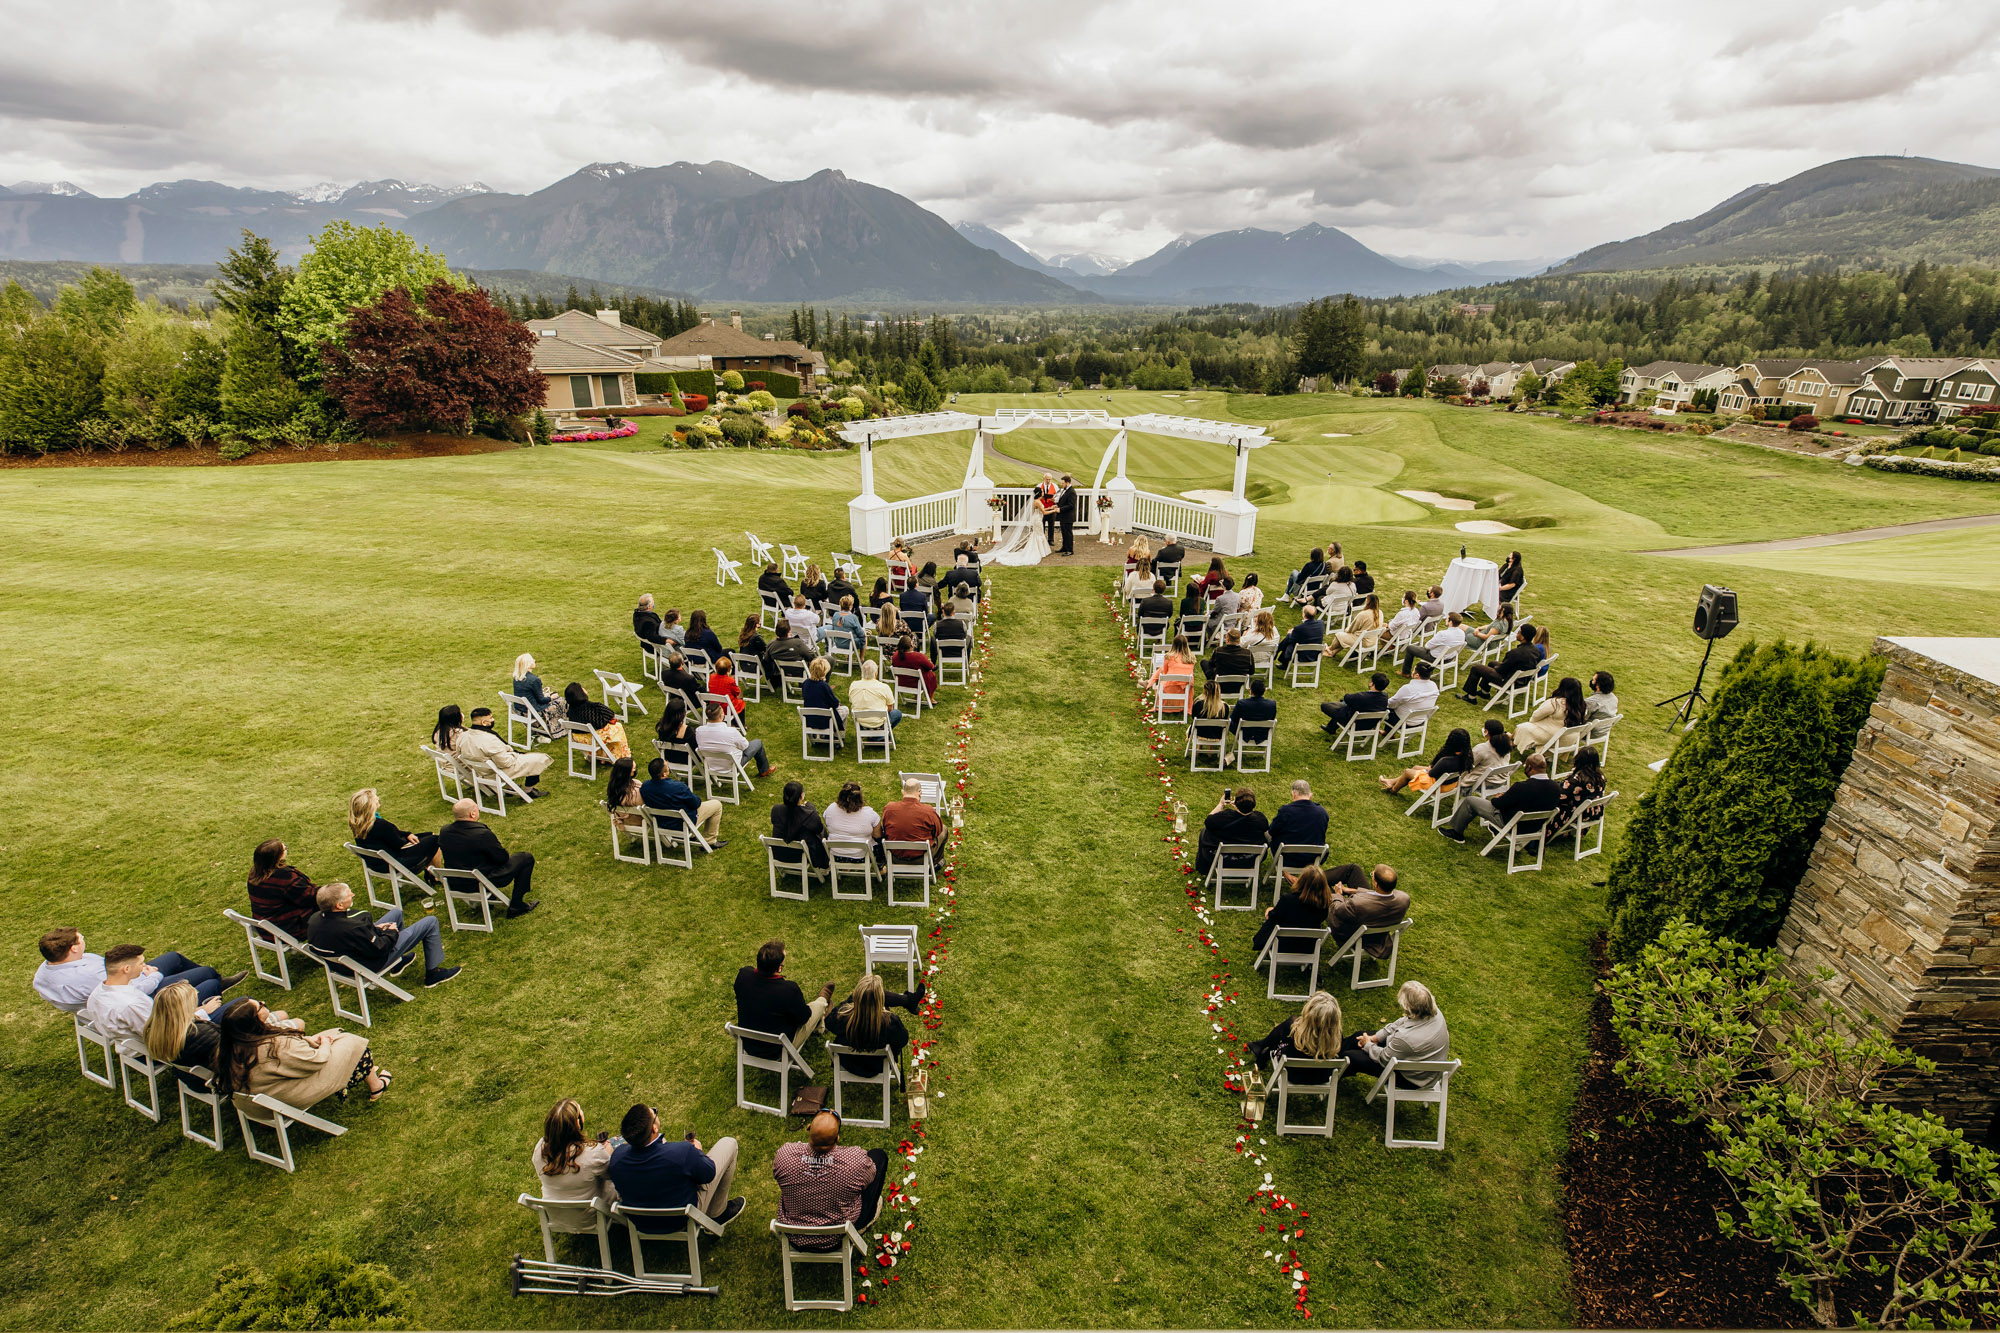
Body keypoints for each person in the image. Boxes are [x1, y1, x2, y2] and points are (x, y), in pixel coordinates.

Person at [212, 1001, 386, 1106]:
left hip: (261, 1102)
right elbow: (316, 1061)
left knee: (332, 1038)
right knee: (351, 1044)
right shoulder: (274, 1046)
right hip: (289, 1097)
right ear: (255, 1019)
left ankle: (366, 1079)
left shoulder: (229, 1047)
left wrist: (308, 1040)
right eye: (261, 1006)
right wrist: (325, 1044)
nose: (264, 1004)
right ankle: (376, 1087)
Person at [607, 1103, 745, 1224]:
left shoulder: (616, 1159)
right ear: (654, 1128)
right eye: (654, 1113)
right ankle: (718, 1214)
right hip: (683, 1218)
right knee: (729, 1143)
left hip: (642, 1221)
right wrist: (699, 1155)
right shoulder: (682, 1153)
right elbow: (708, 1174)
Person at [308, 881, 459, 988]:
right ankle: (434, 973)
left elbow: (356, 938)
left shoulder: (315, 920)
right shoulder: (353, 928)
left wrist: (375, 929)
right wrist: (390, 932)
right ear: (339, 905)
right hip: (370, 963)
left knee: (396, 913)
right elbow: (380, 947)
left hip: (343, 962)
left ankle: (398, 963)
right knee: (430, 921)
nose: (353, 895)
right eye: (349, 895)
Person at [774, 1111, 889, 1249]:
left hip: (794, 1236)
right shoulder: (855, 1161)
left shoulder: (785, 1155)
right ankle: (868, 1217)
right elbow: (870, 1176)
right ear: (837, 1138)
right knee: (879, 1156)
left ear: (808, 1128)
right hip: (838, 1238)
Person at [145, 983, 294, 1079]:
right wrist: (259, 1024)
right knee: (296, 1023)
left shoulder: (157, 1030)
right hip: (230, 1073)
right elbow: (240, 1051)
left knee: (281, 1014)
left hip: (195, 1077)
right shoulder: (200, 1032)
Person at [439, 797, 539, 916]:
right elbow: (502, 858)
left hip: (454, 882)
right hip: (480, 881)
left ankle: (492, 899)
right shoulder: (481, 834)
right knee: (525, 858)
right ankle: (517, 905)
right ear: (473, 814)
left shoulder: (444, 831)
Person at [735, 939, 835, 1057]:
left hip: (748, 1044)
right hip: (778, 1050)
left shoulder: (743, 975)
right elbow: (804, 1018)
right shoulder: (788, 990)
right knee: (817, 1006)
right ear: (779, 968)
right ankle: (823, 1005)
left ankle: (821, 1024)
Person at [1341, 981, 1450, 1085]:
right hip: (1416, 1058)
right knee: (1358, 1036)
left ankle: (1330, 1072)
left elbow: (1384, 1058)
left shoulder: (1406, 1038)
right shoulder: (1433, 1012)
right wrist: (1376, 1037)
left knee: (1351, 1057)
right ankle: (1334, 1052)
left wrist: (1368, 1045)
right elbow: (1404, 1021)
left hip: (1412, 1077)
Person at [825, 972, 926, 1077]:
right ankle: (909, 1000)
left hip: (849, 1062)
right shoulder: (890, 1023)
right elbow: (902, 1040)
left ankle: (909, 1000)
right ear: (881, 1000)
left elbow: (828, 1022)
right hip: (878, 1065)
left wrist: (854, 998)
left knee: (868, 995)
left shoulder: (842, 1017)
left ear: (856, 997)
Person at [1442, 752, 1560, 841]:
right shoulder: (1556, 788)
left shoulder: (1522, 787)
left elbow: (1498, 804)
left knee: (1470, 801)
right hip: (1533, 828)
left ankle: (1456, 833)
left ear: (1529, 768)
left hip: (1510, 823)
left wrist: (1498, 797)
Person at [1246, 989, 1344, 1084]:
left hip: (1293, 1075)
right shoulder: (1337, 1037)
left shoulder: (1295, 1032)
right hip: (1321, 1077)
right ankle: (1262, 1049)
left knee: (1289, 1026)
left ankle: (1262, 1048)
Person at [533, 1098, 615, 1204]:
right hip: (592, 1217)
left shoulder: (539, 1149)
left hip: (556, 1216)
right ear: (577, 1122)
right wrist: (608, 1155)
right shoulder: (593, 1153)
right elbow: (612, 1174)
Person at [459, 703, 558, 789]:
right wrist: (513, 754)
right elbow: (505, 763)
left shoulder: (463, 736)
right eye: (491, 718)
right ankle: (528, 790)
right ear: (484, 722)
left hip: (481, 771)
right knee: (539, 759)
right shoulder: (490, 740)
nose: (493, 719)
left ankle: (511, 787)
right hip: (495, 772)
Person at [350, 788, 439, 882]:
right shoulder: (381, 825)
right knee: (434, 839)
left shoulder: (358, 824)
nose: (378, 798)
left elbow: (391, 834)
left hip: (376, 863)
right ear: (370, 805)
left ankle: (432, 874)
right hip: (394, 862)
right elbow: (398, 843)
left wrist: (407, 834)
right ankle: (436, 877)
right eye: (375, 798)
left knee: (428, 836)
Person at [640, 755, 724, 846]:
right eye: (667, 766)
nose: (668, 766)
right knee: (717, 804)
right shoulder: (678, 787)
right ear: (664, 774)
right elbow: (696, 804)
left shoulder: (644, 787)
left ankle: (695, 837)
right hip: (682, 823)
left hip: (661, 823)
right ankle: (710, 841)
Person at [1251, 863, 1333, 954]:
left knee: (1270, 911)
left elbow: (1273, 918)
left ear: (1301, 881)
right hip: (1307, 947)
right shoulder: (1324, 904)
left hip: (1281, 944)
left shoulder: (1288, 900)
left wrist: (1268, 912)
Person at [247, 838, 322, 936]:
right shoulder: (286, 877)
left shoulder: (254, 874)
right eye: (284, 849)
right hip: (288, 928)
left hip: (266, 928)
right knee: (329, 901)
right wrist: (330, 891)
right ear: (277, 856)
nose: (286, 850)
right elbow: (309, 898)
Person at [1327, 863, 1410, 951]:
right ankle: (1315, 876)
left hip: (1350, 935)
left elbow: (1337, 910)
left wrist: (1338, 894)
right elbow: (1378, 895)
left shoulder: (1357, 904)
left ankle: (1314, 877)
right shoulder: (1404, 898)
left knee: (1323, 884)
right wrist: (1352, 891)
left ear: (1376, 885)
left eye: (1372, 876)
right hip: (1377, 936)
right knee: (1354, 869)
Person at [1195, 788, 1267, 876]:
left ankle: (1203, 868)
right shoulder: (1260, 819)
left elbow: (1208, 821)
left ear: (1235, 803)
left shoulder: (1225, 817)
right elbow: (1265, 828)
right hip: (1250, 859)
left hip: (1222, 859)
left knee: (1204, 832)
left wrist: (1221, 804)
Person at [1460, 625, 1540, 704]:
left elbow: (1501, 670)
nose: (1517, 634)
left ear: (1523, 637)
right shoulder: (1535, 650)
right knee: (1492, 663)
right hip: (1521, 680)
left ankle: (1471, 697)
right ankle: (1485, 692)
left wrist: (1496, 668)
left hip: (1508, 681)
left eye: (1519, 632)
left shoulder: (1515, 653)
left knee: (1476, 668)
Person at [1383, 726, 1473, 795]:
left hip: (1438, 785)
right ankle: (1391, 782)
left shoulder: (1446, 760)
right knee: (1415, 767)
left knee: (1407, 772)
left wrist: (1428, 769)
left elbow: (1431, 773)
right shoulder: (1467, 756)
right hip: (1451, 784)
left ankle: (1393, 790)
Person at [697, 701, 772, 779]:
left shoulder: (699, 731)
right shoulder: (731, 731)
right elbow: (745, 746)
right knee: (757, 743)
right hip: (732, 765)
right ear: (722, 715)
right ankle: (764, 770)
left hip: (712, 765)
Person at [1514, 677, 1586, 754]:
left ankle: (1511, 741)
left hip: (1553, 737)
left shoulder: (1555, 703)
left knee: (1522, 727)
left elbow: (1536, 716)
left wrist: (1534, 724)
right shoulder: (1582, 706)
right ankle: (1510, 738)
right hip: (1568, 739)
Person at [881, 777, 947, 861]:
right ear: (919, 792)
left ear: (903, 792)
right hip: (921, 858)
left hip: (895, 857)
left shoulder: (889, 808)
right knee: (944, 829)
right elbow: (938, 831)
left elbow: (885, 828)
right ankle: (936, 862)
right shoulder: (927, 811)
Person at [562, 684, 632, 762]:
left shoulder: (570, 711)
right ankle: (621, 756)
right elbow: (611, 714)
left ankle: (601, 756)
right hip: (594, 739)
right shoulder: (595, 707)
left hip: (579, 739)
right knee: (617, 727)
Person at [771, 781, 830, 872]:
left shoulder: (776, 809)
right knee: (822, 831)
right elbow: (818, 829)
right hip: (800, 856)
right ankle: (824, 862)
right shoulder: (809, 814)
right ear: (801, 796)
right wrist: (811, 809)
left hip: (779, 853)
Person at [824, 782, 882, 865]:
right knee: (880, 842)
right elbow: (878, 836)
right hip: (861, 857)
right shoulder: (870, 815)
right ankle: (880, 867)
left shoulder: (830, 809)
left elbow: (827, 823)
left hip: (836, 855)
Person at [512, 653, 569, 733]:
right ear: (528, 664)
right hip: (534, 711)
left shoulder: (517, 678)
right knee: (561, 701)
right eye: (532, 660)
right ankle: (560, 729)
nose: (534, 660)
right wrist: (551, 697)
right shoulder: (534, 680)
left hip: (520, 710)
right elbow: (541, 700)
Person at [1266, 779, 1328, 852]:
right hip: (1314, 856)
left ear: (1294, 794)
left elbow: (1272, 831)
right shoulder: (1322, 812)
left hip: (1288, 856)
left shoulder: (1286, 811)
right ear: (1310, 795)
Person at [1322, 672, 1392, 735]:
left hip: (1353, 723)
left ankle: (1331, 728)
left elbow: (1347, 697)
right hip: (1369, 725)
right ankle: (1330, 728)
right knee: (1345, 706)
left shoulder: (1362, 697)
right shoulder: (1385, 696)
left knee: (1326, 705)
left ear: (1372, 684)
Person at [1554, 748, 1608, 827]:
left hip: (1576, 814)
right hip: (1592, 813)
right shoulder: (1601, 777)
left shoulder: (1578, 780)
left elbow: (1560, 797)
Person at [1401, 613, 1466, 677]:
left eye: (1447, 619)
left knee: (1410, 648)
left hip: (1436, 658)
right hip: (1450, 657)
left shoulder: (1443, 634)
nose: (1445, 620)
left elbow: (1427, 646)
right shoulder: (1462, 633)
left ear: (1450, 622)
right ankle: (1425, 671)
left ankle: (1405, 672)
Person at [849, 659, 904, 729]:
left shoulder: (853, 685)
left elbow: (851, 701)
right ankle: (880, 735)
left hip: (860, 722)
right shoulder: (884, 687)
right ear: (876, 673)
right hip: (878, 723)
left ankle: (873, 734)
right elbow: (890, 708)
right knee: (897, 713)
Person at [1148, 633, 1197, 710]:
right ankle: (1149, 681)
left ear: (1173, 644)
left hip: (1169, 688)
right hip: (1184, 690)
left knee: (1162, 671)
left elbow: (1165, 672)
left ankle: (1149, 682)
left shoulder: (1169, 656)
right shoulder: (1191, 658)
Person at [802, 657, 847, 737]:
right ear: (824, 672)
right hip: (825, 720)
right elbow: (835, 703)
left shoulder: (805, 683)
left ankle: (818, 736)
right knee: (845, 709)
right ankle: (838, 736)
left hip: (810, 719)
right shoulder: (824, 686)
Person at [764, 623, 814, 691]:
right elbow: (811, 656)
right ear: (788, 632)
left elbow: (767, 659)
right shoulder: (797, 643)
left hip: (782, 671)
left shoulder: (771, 645)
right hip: (799, 671)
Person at [1229, 676, 1277, 741]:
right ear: (1264, 691)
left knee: (1229, 721)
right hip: (1262, 734)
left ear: (1250, 691)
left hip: (1244, 734)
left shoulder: (1242, 704)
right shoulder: (1272, 704)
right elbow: (1271, 718)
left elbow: (1233, 719)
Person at [891, 633, 937, 700]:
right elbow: (931, 667)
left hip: (901, 682)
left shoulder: (895, 656)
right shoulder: (918, 656)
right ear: (911, 645)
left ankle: (916, 696)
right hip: (917, 683)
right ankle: (931, 698)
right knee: (931, 674)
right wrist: (928, 662)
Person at [606, 755, 645, 832]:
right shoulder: (636, 791)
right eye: (634, 768)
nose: (635, 770)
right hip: (639, 822)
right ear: (627, 772)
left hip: (624, 821)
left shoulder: (613, 789)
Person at [1035, 472, 1060, 546]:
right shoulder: (1039, 486)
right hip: (1041, 508)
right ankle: (1042, 539)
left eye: (1049, 479)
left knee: (1051, 525)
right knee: (1041, 524)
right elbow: (1035, 496)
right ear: (1044, 479)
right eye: (1047, 479)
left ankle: (1050, 540)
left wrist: (1054, 500)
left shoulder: (1055, 486)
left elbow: (1058, 497)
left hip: (1051, 507)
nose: (1048, 481)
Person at [1056, 473, 1077, 555]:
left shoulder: (1072, 492)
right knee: (1064, 532)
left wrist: (1060, 509)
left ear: (1067, 483)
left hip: (1068, 516)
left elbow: (1071, 505)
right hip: (1063, 516)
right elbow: (1062, 501)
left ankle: (1070, 550)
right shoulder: (1065, 490)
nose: (1061, 484)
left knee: (1068, 533)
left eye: (1062, 483)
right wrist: (1057, 506)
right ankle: (1064, 547)